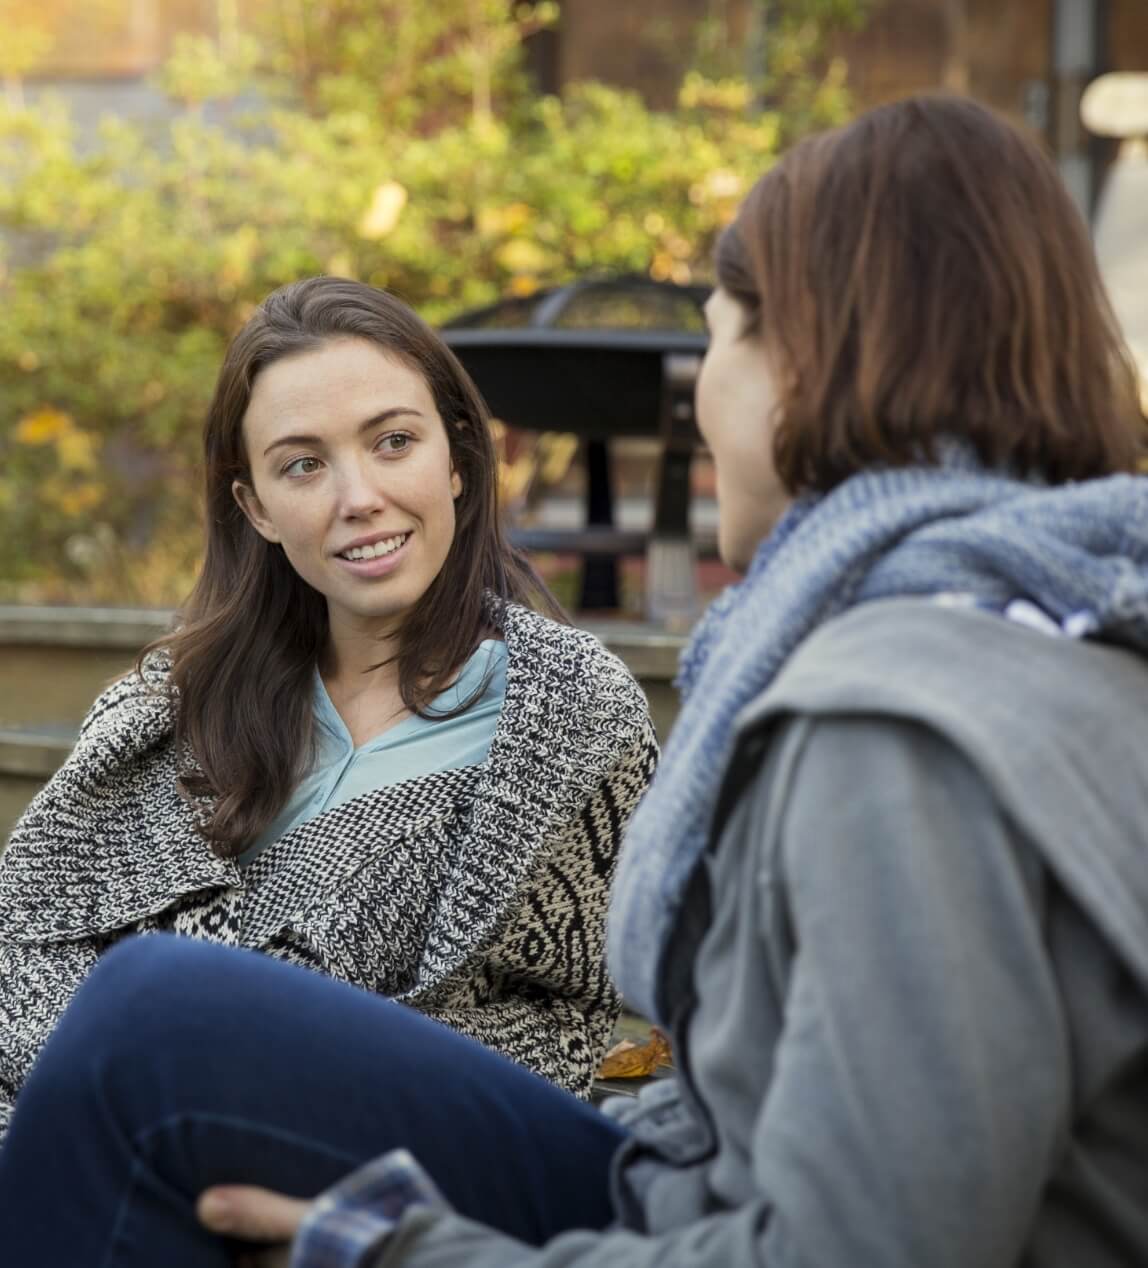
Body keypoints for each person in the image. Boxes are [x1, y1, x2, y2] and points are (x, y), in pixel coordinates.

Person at [3, 91, 1148, 1268]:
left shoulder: (900, 729)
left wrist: (385, 1248)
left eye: (720, 342)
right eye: (302, 463)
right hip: (669, 1181)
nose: (700, 404)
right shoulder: (985, 653)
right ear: (251, 504)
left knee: (156, 1017)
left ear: (807, 374)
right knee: (151, 1014)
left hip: (678, 1215)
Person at [0, 277, 658, 1140]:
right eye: (303, 464)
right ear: (256, 507)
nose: (358, 497)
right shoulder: (169, 707)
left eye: (393, 442)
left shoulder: (567, 718)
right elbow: (25, 941)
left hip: (374, 1166)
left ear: (457, 458)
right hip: (88, 1133)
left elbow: (538, 1027)